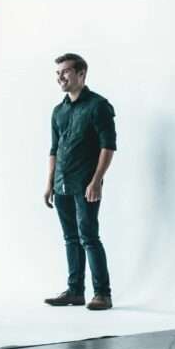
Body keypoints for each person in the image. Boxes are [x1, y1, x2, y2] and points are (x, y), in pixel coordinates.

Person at [43, 53, 117, 311]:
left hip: (86, 184)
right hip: (62, 184)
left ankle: (102, 294)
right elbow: (54, 149)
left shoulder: (98, 106)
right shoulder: (58, 111)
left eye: (65, 72)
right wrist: (49, 183)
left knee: (89, 237)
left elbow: (108, 147)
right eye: (58, 73)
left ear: (81, 73)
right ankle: (75, 291)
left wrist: (96, 181)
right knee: (70, 238)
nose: (60, 77)